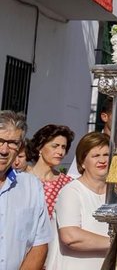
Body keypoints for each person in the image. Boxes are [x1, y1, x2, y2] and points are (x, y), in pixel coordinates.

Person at [47, 132, 110, 270]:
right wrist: (115, 243)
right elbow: (71, 237)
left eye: (106, 155)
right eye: (95, 156)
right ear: (82, 162)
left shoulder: (115, 195)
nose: (102, 160)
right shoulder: (72, 192)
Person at [0, 110, 52, 270]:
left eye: (12, 143)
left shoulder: (32, 187)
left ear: (20, 147)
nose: (4, 150)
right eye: (0, 141)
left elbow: (39, 244)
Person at [25, 125, 74, 217]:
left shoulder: (67, 183)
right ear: (40, 147)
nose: (60, 152)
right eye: (55, 146)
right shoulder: (23, 179)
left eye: (63, 147)